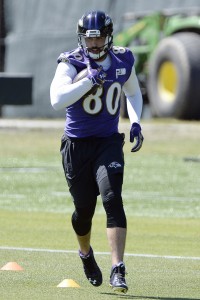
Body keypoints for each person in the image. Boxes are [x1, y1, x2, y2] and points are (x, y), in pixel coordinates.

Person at [50, 10, 144, 294]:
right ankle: (85, 253)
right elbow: (56, 100)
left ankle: (118, 268)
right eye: (89, 39)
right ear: (81, 39)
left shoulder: (122, 59)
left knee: (112, 198)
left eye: (98, 38)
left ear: (108, 36)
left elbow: (133, 92)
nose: (93, 45)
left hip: (107, 142)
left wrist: (136, 121)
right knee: (83, 211)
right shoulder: (71, 62)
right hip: (77, 145)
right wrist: (87, 80)